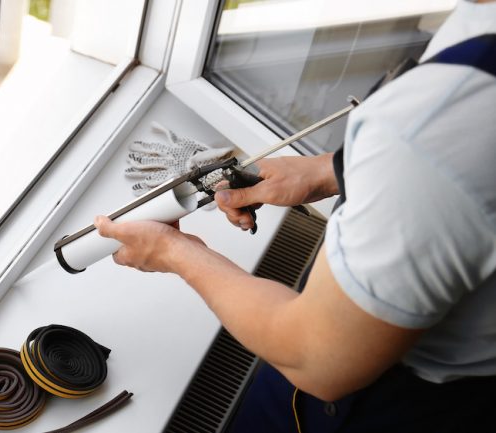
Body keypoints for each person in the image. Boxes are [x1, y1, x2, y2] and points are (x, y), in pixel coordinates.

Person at [94, 0, 496, 431]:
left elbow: (318, 360)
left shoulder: (432, 127)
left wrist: (174, 252)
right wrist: (329, 170)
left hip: (394, 402)